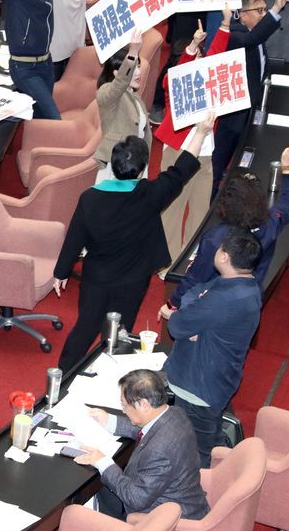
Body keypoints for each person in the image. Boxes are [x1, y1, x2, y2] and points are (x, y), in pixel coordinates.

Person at [52, 116, 215, 373]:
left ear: (114, 165)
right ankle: (112, 374)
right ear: (141, 169)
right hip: (133, 280)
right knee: (121, 331)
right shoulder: (150, 194)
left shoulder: (90, 197)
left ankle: (62, 376)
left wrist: (61, 272)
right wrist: (201, 132)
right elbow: (181, 169)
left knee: (85, 327)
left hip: (96, 278)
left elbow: (74, 238)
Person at [160, 228, 263, 467]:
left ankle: (210, 487)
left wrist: (191, 321)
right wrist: (200, 327)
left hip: (198, 387)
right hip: (218, 377)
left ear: (224, 256)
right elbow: (195, 292)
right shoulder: (243, 284)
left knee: (201, 453)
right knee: (210, 437)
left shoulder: (223, 299)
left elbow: (177, 325)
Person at [166, 142, 289, 312]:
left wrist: (172, 304)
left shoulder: (216, 239)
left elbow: (195, 277)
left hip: (214, 305)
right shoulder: (271, 223)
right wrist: (287, 167)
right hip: (250, 299)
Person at [72, 369, 210, 520]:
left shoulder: (159, 451)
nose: (124, 410)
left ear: (144, 404)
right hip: (177, 494)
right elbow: (150, 429)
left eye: (124, 405)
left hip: (163, 518)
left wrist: (103, 462)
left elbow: (136, 498)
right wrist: (109, 421)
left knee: (87, 497)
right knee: (102, 483)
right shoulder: (175, 413)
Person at [207, 0, 289, 194]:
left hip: (250, 109)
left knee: (238, 162)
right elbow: (251, 41)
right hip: (232, 117)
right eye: (259, 11)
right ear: (243, 15)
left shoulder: (255, 35)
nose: (263, 15)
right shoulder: (236, 35)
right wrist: (275, 9)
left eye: (265, 10)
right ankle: (209, 203)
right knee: (218, 164)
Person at [152, 26, 214, 271]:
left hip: (206, 153)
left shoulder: (209, 83)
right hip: (178, 153)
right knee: (172, 209)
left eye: (201, 55)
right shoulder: (172, 82)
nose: (200, 60)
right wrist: (192, 46)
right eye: (195, 56)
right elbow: (178, 73)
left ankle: (189, 261)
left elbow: (218, 53)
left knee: (200, 210)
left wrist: (225, 26)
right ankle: (167, 263)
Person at [92, 30, 149, 182]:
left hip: (136, 165)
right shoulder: (106, 93)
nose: (138, 72)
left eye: (139, 66)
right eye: (134, 68)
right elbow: (119, 85)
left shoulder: (135, 97)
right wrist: (133, 52)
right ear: (117, 73)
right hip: (117, 167)